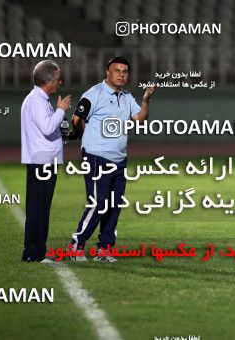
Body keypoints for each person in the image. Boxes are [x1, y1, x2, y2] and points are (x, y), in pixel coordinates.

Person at [66, 57, 155, 262]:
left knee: (114, 205)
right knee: (99, 203)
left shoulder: (126, 97)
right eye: (117, 70)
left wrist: (146, 99)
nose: (122, 74)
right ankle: (75, 245)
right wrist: (84, 137)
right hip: (97, 157)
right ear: (108, 72)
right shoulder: (94, 94)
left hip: (119, 159)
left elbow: (140, 119)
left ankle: (104, 249)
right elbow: (76, 119)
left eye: (125, 71)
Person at [21, 59, 72, 263]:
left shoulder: (39, 100)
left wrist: (64, 134)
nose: (60, 83)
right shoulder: (36, 101)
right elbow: (47, 128)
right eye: (58, 79)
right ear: (49, 81)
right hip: (42, 161)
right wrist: (61, 109)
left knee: (41, 207)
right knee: (38, 208)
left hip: (44, 159)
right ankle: (33, 252)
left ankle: (37, 250)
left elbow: (50, 130)